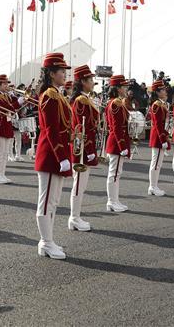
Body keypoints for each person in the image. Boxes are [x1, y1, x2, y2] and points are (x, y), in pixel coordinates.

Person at [34, 53, 73, 259]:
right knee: (47, 200)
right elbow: (51, 129)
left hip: (58, 153)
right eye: (61, 71)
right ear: (51, 73)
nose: (65, 75)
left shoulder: (57, 94)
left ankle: (49, 240)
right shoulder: (49, 95)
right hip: (51, 154)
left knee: (54, 200)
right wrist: (61, 156)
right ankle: (45, 242)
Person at [68, 64, 98, 231]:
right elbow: (82, 127)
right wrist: (89, 150)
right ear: (82, 82)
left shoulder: (85, 98)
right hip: (82, 149)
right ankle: (74, 217)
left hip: (86, 147)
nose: (93, 82)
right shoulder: (81, 100)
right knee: (79, 184)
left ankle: (76, 216)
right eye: (90, 80)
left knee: (81, 184)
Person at [104, 74, 131, 212]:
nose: (126, 88)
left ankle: (115, 200)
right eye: (124, 86)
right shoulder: (115, 103)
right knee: (114, 173)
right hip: (116, 142)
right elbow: (116, 126)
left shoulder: (117, 102)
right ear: (118, 88)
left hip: (117, 142)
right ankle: (111, 201)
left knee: (116, 173)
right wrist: (122, 145)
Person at [0, 75, 20, 184]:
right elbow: (7, 108)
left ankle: (2, 174)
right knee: (0, 152)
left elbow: (14, 106)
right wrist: (18, 102)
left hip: (7, 125)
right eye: (4, 84)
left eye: (7, 83)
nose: (7, 85)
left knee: (5, 152)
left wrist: (16, 97)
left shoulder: (6, 95)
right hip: (1, 125)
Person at [147, 79, 170, 196]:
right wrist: (162, 138)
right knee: (155, 162)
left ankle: (154, 185)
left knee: (158, 163)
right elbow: (157, 124)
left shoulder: (162, 104)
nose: (165, 91)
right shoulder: (156, 105)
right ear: (157, 92)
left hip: (160, 136)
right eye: (162, 90)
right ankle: (152, 186)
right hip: (157, 137)